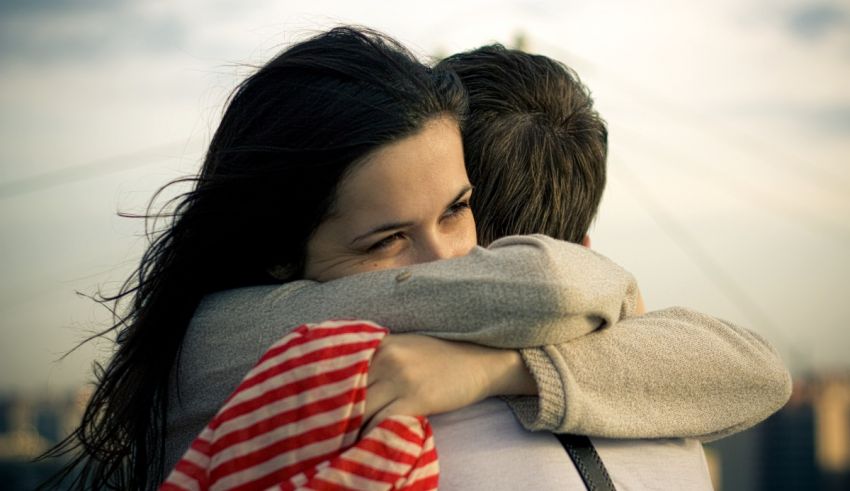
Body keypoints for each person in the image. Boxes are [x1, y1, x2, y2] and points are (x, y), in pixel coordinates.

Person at [43, 27, 789, 490]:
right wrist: (598, 301)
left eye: (456, 209)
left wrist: (501, 368)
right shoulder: (227, 348)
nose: (442, 271)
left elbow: (761, 370)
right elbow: (551, 283)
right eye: (385, 239)